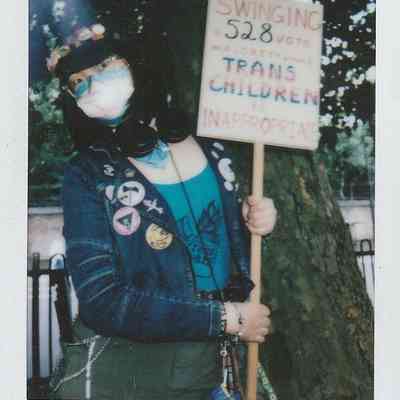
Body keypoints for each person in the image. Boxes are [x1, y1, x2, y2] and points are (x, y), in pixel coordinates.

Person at [47, 23, 277, 400]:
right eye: (80, 82)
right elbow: (101, 299)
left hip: (220, 364)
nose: (95, 84)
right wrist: (227, 319)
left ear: (135, 64)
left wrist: (259, 218)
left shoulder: (211, 144)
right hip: (142, 373)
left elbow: (221, 234)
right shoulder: (85, 173)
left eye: (105, 67)